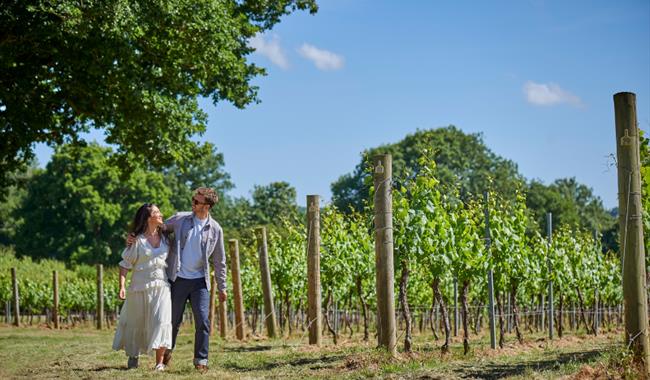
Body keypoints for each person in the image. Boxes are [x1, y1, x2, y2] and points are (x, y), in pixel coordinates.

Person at [127, 187, 227, 373]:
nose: (193, 203)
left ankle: (201, 360)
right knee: (171, 320)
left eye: (196, 201)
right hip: (177, 278)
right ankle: (164, 356)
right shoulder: (180, 219)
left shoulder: (215, 230)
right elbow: (158, 227)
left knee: (203, 321)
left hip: (200, 282)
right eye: (193, 200)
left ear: (207, 206)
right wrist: (135, 236)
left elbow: (220, 261)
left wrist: (222, 287)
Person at [112, 203, 172, 371]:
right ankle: (133, 355)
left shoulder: (166, 238)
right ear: (147, 218)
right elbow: (125, 264)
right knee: (136, 322)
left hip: (162, 286)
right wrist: (122, 286)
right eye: (156, 212)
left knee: (162, 320)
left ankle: (159, 363)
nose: (160, 214)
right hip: (139, 287)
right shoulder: (137, 240)